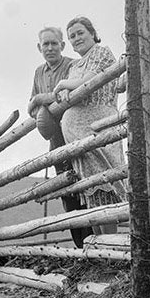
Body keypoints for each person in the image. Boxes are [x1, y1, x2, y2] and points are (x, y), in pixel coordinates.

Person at [53, 16, 127, 237]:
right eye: (72, 36)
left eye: (80, 33)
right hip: (77, 136)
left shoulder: (101, 52)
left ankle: (112, 243)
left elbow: (87, 83)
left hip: (99, 126)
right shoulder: (74, 65)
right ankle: (100, 245)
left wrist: (63, 85)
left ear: (92, 33)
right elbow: (72, 92)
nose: (76, 38)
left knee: (106, 183)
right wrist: (67, 89)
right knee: (90, 188)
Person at [27, 26, 92, 249]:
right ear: (39, 47)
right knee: (67, 188)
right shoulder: (38, 72)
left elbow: (68, 97)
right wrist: (42, 107)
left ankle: (95, 241)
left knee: (85, 183)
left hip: (75, 132)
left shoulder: (72, 65)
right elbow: (31, 108)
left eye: (54, 43)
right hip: (56, 139)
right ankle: (80, 246)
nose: (50, 47)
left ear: (62, 45)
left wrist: (41, 100)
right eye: (46, 44)